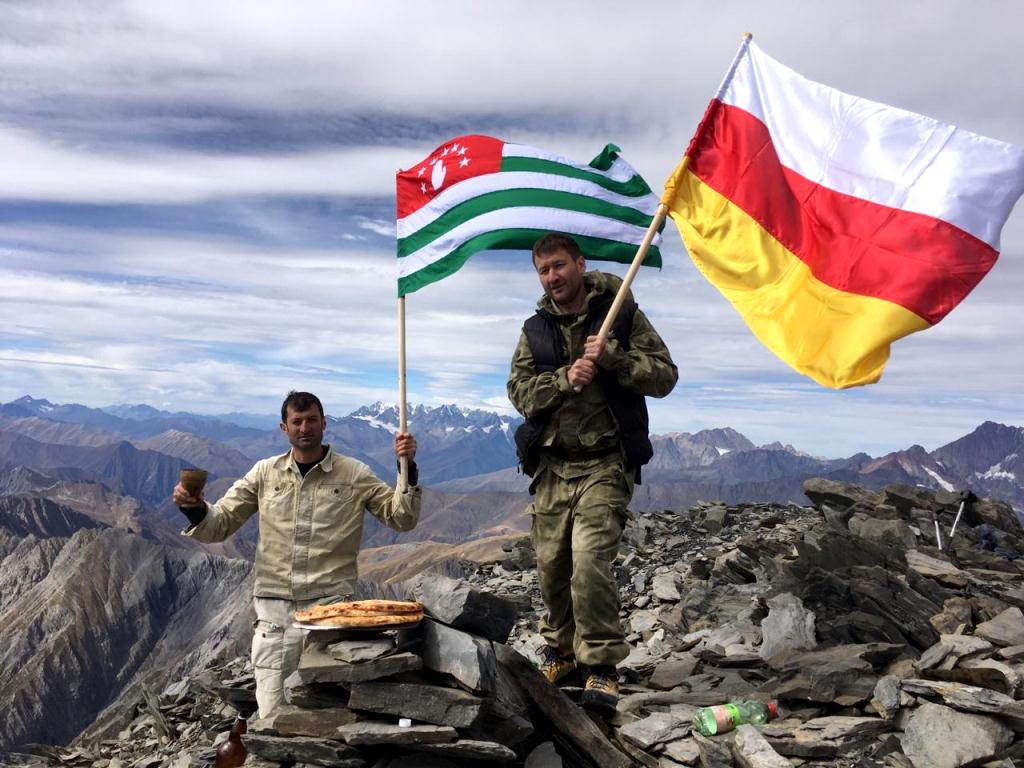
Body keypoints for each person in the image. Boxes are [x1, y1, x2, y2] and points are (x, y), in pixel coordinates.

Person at [171, 390, 421, 718]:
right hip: (276, 617)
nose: (305, 427)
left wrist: (407, 469)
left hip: (331, 614)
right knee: (274, 716)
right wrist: (195, 510)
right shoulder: (264, 474)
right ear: (283, 428)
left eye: (312, 420)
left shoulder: (354, 474)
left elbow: (401, 517)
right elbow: (220, 524)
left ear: (325, 424)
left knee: (328, 715)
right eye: (297, 421)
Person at [508, 233, 677, 715]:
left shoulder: (620, 315)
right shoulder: (534, 329)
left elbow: (664, 376)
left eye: (559, 266)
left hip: (605, 462)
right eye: (543, 270)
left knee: (588, 561)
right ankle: (563, 654)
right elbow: (519, 393)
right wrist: (564, 380)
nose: (552, 277)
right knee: (551, 566)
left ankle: (601, 665)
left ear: (580, 264)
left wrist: (613, 359)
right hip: (551, 465)